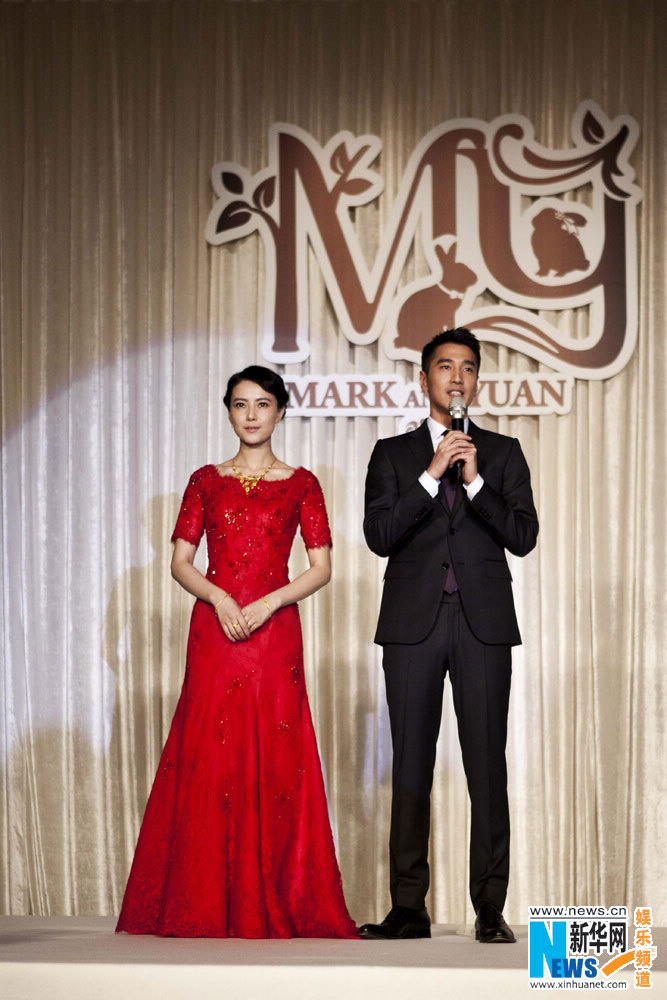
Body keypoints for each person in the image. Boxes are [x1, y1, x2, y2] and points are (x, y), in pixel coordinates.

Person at [116, 366, 357, 938]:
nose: (251, 415)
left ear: (281, 412)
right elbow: (180, 563)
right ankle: (202, 900)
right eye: (241, 404)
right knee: (209, 749)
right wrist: (220, 598)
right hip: (215, 629)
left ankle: (271, 898)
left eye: (263, 404)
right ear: (228, 411)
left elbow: (321, 568)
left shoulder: (302, 484)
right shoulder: (205, 480)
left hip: (274, 632)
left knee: (276, 749)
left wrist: (270, 602)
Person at [360, 329, 538, 942]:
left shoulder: (504, 452)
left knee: (486, 765)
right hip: (413, 625)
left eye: (467, 368)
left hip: (483, 624)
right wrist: (432, 475)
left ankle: (490, 907)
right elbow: (379, 536)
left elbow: (523, 536)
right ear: (424, 379)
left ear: (477, 381)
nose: (456, 377)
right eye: (444, 366)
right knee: (410, 764)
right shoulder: (392, 454)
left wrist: (478, 482)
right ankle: (409, 908)